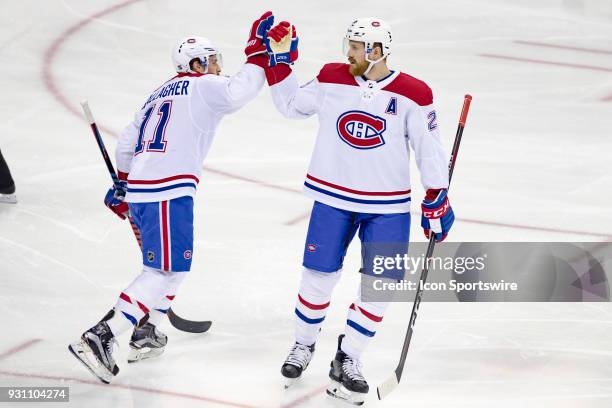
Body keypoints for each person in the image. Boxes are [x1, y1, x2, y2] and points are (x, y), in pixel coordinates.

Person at [68, 11, 280, 384]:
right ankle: (102, 335)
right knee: (161, 271)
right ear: (197, 63)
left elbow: (127, 144)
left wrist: (123, 183)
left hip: (149, 189)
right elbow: (238, 92)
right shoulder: (202, 85)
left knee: (176, 267)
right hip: (166, 190)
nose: (218, 67)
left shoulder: (155, 95)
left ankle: (147, 329)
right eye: (213, 60)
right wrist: (258, 53)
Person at [267, 18, 455, 405]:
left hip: (387, 206)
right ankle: (302, 346)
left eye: (355, 46)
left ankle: (348, 357)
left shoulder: (413, 93)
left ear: (375, 51)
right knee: (317, 277)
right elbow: (291, 106)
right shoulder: (331, 78)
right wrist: (281, 63)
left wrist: (437, 194)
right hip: (333, 197)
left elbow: (429, 147)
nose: (347, 52)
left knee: (381, 285)